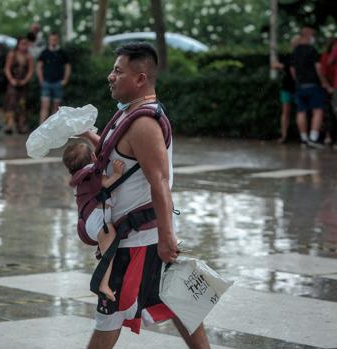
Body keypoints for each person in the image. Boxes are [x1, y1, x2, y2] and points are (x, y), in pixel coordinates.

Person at [79, 42, 210, 349]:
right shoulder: (129, 115)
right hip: (141, 237)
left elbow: (159, 182)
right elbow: (119, 158)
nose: (111, 76)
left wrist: (167, 238)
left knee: (110, 314)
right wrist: (88, 134)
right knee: (179, 301)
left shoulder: (143, 124)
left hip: (138, 240)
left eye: (118, 70)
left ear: (140, 79)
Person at [63, 142, 126, 301]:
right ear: (93, 156)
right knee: (109, 251)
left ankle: (100, 247)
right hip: (98, 220)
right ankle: (103, 283)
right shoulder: (92, 172)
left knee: (106, 245)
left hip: (88, 221)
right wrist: (117, 174)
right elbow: (105, 183)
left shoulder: (79, 177)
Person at [290, 26, 333, 148]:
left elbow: (292, 70)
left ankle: (304, 138)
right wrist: (324, 83)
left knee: (301, 111)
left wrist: (298, 81)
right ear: (308, 35)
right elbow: (318, 68)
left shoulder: (295, 51)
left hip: (300, 86)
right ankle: (313, 138)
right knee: (318, 111)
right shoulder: (312, 50)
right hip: (313, 85)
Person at [37, 31, 72, 124]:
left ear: (58, 40)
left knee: (56, 108)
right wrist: (41, 80)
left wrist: (65, 80)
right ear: (49, 40)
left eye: (55, 39)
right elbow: (39, 66)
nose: (53, 41)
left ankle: (53, 129)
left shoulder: (62, 53)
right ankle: (41, 128)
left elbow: (67, 67)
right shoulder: (44, 52)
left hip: (58, 83)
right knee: (44, 106)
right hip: (46, 82)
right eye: (51, 39)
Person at [3, 34, 34, 134]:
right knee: (11, 104)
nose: (24, 46)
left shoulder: (28, 56)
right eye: (22, 44)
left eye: (26, 44)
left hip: (23, 83)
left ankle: (21, 125)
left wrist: (25, 80)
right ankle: (10, 125)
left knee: (22, 105)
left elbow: (30, 70)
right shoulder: (13, 54)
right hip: (13, 82)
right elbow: (7, 68)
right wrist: (11, 79)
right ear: (18, 44)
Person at [271, 36, 299, 143]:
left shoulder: (290, 57)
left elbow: (277, 66)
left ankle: (284, 135)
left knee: (287, 112)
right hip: (292, 87)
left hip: (289, 87)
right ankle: (286, 135)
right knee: (296, 111)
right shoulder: (291, 57)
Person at [320, 37, 337, 145]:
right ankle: (328, 136)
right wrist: (328, 86)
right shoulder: (325, 57)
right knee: (327, 112)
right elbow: (322, 73)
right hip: (329, 87)